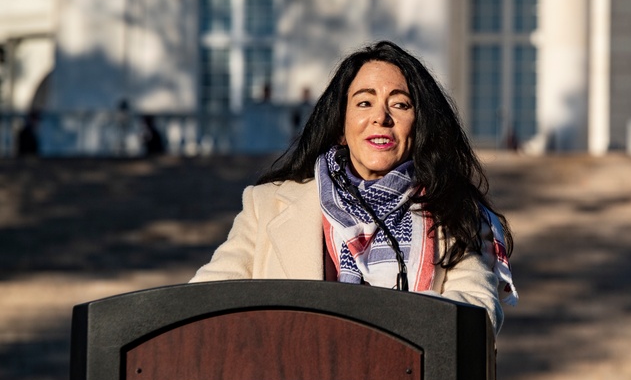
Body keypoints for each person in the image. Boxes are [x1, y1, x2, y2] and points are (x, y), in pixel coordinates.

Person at [191, 41, 516, 334]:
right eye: (364, 103)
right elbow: (203, 305)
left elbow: (476, 315)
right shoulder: (265, 206)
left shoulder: (457, 214)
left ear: (420, 126)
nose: (381, 117)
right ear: (340, 128)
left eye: (400, 105)